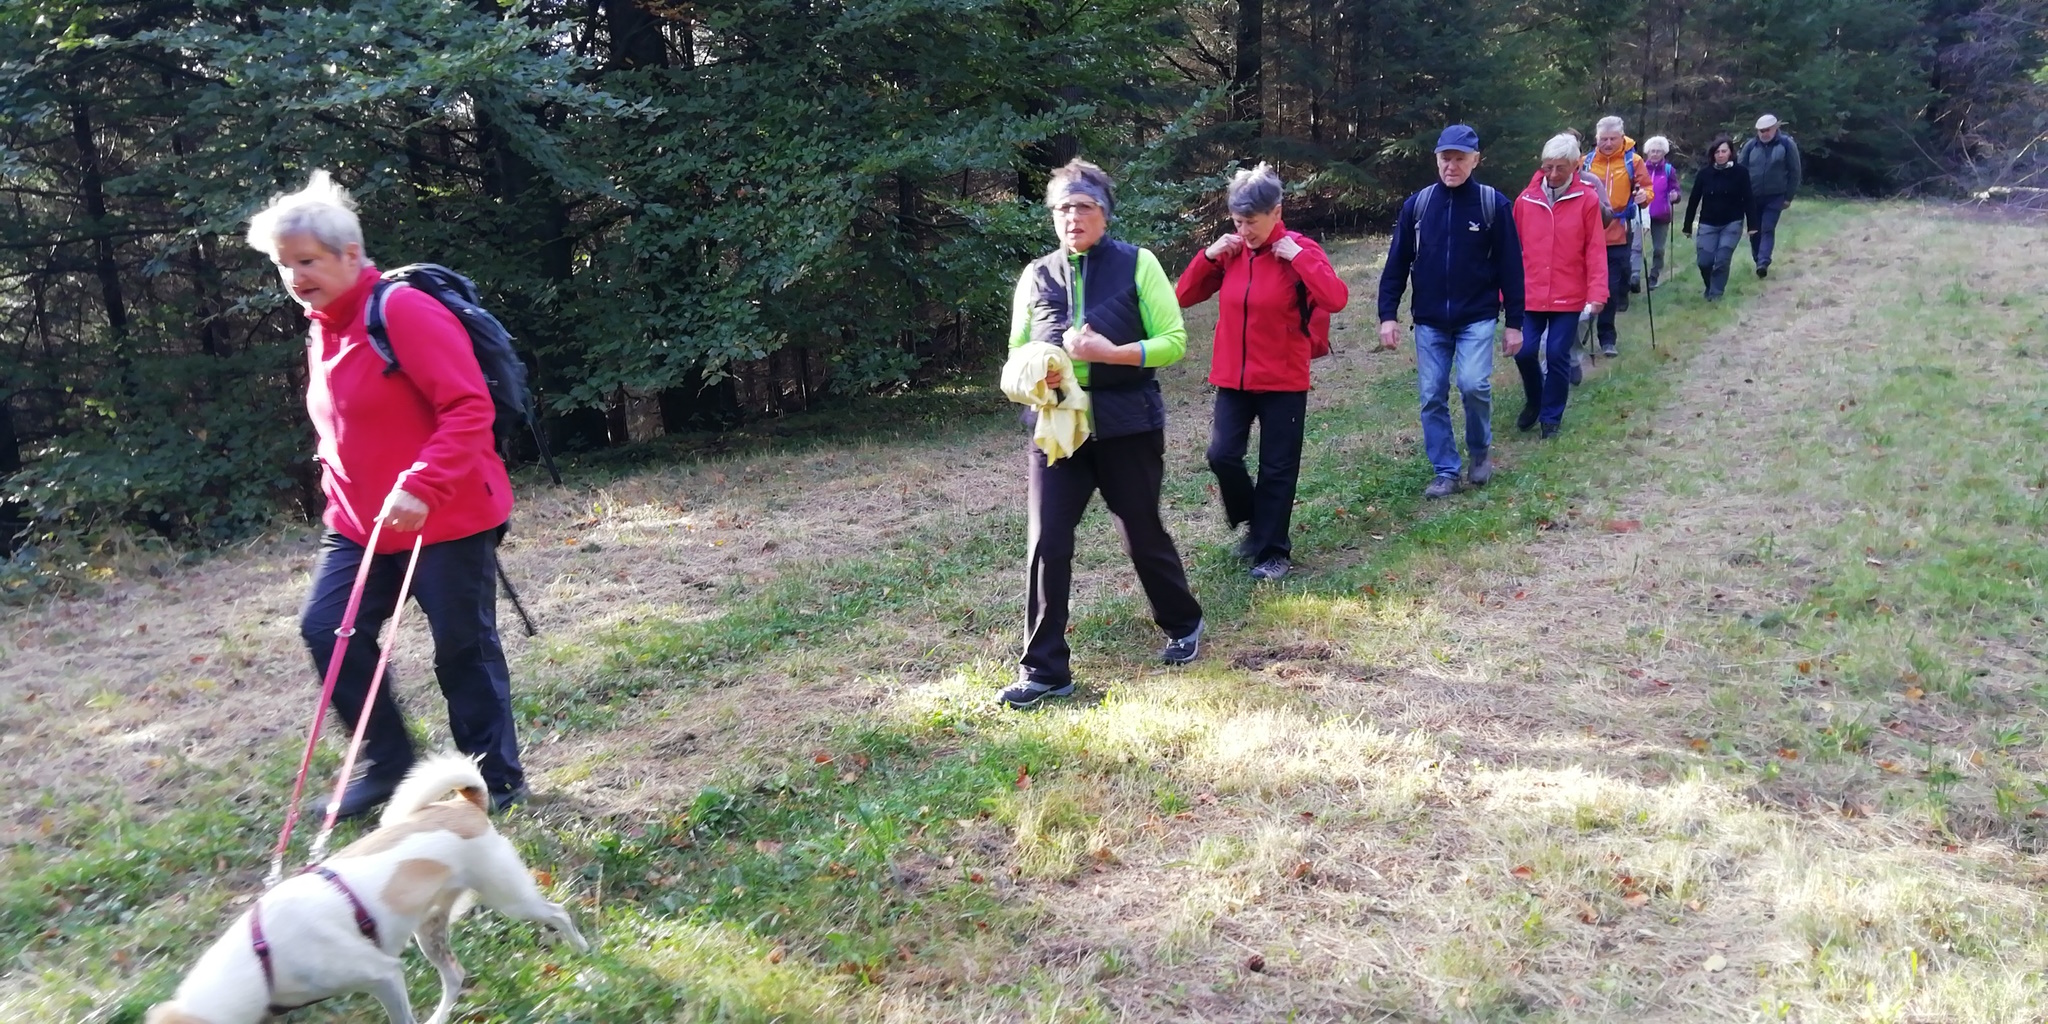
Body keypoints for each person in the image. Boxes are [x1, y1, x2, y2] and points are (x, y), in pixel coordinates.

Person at [244, 172, 527, 818]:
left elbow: (468, 408)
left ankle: (494, 779)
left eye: (307, 261)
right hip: (359, 524)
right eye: (285, 265)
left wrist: (422, 484)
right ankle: (390, 767)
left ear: (350, 254)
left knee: (462, 649)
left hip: (448, 515)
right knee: (328, 631)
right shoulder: (323, 326)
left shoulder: (401, 311)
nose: (295, 278)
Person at [999, 158, 1205, 710]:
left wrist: (1111, 353)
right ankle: (1044, 670)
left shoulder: (1138, 264)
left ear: (1104, 213)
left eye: (1084, 207)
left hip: (1127, 421)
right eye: (1062, 208)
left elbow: (1173, 341)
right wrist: (1037, 373)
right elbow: (1017, 350)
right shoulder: (1037, 274)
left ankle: (1183, 622)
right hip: (1057, 428)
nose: (1073, 217)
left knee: (1140, 531)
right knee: (1047, 542)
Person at [1175, 163, 1349, 582]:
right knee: (1221, 455)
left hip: (1283, 378)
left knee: (1277, 468)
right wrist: (1208, 256)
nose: (1244, 230)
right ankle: (1257, 522)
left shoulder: (1299, 249)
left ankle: (1273, 551)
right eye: (1237, 221)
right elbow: (1183, 295)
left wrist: (1300, 259)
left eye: (1251, 222)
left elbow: (1336, 298)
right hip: (1233, 377)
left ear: (1276, 212)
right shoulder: (1232, 252)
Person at [1377, 125, 1525, 500]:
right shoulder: (1418, 206)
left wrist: (1515, 323)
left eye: (1460, 159)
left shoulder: (1493, 205)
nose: (1451, 166)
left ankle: (1479, 452)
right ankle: (1445, 470)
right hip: (1430, 321)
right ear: (1437, 159)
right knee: (1432, 395)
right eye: (1446, 158)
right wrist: (1387, 314)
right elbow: (1397, 263)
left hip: (1477, 316)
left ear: (1475, 160)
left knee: (1473, 385)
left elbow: (1511, 267)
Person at [1512, 134, 1608, 439]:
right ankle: (1535, 400)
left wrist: (1597, 292)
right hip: (1530, 292)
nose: (1553, 174)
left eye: (1560, 168)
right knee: (1524, 351)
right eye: (1548, 167)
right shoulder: (1525, 200)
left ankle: (1551, 417)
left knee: (1556, 354)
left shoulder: (1587, 200)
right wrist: (1504, 291)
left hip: (1569, 294)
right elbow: (1511, 250)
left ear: (1575, 166)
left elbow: (1595, 249)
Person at [1583, 116, 1652, 357]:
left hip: (1618, 232)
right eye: (1603, 139)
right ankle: (1577, 334)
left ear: (1622, 138)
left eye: (1613, 138)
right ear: (1596, 138)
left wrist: (1644, 196)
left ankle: (1607, 339)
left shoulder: (1633, 161)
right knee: (1583, 287)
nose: (1608, 143)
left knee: (1609, 289)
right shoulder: (1585, 162)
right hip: (1586, 234)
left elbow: (1647, 187)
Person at [1683, 134, 1752, 301]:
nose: (1720, 155)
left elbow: (1749, 198)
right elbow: (1694, 200)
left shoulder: (1741, 173)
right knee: (1704, 262)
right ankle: (1710, 286)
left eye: (1724, 151)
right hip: (1708, 223)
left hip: (1732, 223)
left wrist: (1753, 224)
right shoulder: (1704, 174)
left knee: (1722, 259)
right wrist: (1687, 225)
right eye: (1717, 152)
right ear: (1712, 154)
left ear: (1730, 153)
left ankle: (1716, 294)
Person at [1739, 114, 1802, 277]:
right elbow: (1740, 171)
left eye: (1767, 130)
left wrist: (1788, 197)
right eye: (1761, 131)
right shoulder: (1750, 146)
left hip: (1775, 196)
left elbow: (1795, 172)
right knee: (1754, 230)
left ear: (1775, 128)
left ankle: (1763, 262)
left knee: (1767, 228)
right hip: (1752, 196)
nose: (1764, 133)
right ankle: (1758, 259)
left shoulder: (1786, 144)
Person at [1640, 136, 1681, 290]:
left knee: (1658, 249)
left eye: (1658, 151)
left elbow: (1675, 189)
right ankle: (1633, 276)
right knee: (1636, 248)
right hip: (1642, 214)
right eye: (1652, 151)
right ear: (1647, 152)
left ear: (1664, 153)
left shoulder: (1669, 170)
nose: (1655, 154)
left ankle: (1654, 276)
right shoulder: (1640, 168)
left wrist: (1675, 196)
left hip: (1661, 216)